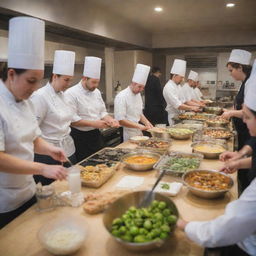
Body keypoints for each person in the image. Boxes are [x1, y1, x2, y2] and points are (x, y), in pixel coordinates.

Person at [177, 60, 256, 256]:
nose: (243, 122)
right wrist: (240, 161)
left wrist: (182, 223)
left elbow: (224, 230)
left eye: (247, 117)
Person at [0, 17, 67, 229]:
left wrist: (50, 149)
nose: (34, 88)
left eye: (38, 81)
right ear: (11, 74)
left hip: (28, 189)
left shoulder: (26, 100)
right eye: (30, 81)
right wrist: (42, 168)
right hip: (4, 199)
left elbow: (33, 138)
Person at [31, 50, 77, 185]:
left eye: (70, 80)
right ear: (55, 76)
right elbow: (33, 130)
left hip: (67, 149)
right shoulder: (40, 96)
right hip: (47, 155)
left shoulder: (63, 95)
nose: (68, 84)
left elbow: (69, 119)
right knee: (52, 190)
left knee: (69, 186)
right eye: (66, 80)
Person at [65, 56, 119, 162]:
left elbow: (102, 112)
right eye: (94, 82)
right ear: (84, 78)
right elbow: (72, 121)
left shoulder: (96, 92)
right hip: (79, 137)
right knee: (85, 166)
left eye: (97, 82)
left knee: (102, 162)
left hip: (95, 135)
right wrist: (95, 124)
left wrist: (109, 119)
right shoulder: (71, 93)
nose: (96, 85)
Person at [221, 49, 252, 193]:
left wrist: (231, 112)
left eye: (231, 70)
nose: (230, 73)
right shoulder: (244, 82)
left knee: (248, 178)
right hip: (245, 134)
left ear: (240, 67)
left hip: (246, 133)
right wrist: (239, 157)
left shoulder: (250, 83)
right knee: (245, 175)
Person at [114, 64, 153, 141]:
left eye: (143, 87)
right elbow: (121, 120)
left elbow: (139, 113)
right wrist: (139, 126)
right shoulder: (121, 96)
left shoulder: (137, 94)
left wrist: (147, 122)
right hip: (126, 132)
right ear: (133, 83)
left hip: (137, 131)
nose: (141, 89)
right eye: (139, 87)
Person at [163, 59, 200, 126]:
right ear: (174, 76)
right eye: (181, 77)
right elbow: (178, 105)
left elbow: (184, 101)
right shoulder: (168, 87)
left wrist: (197, 105)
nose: (182, 80)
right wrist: (192, 108)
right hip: (173, 116)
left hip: (181, 115)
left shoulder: (178, 86)